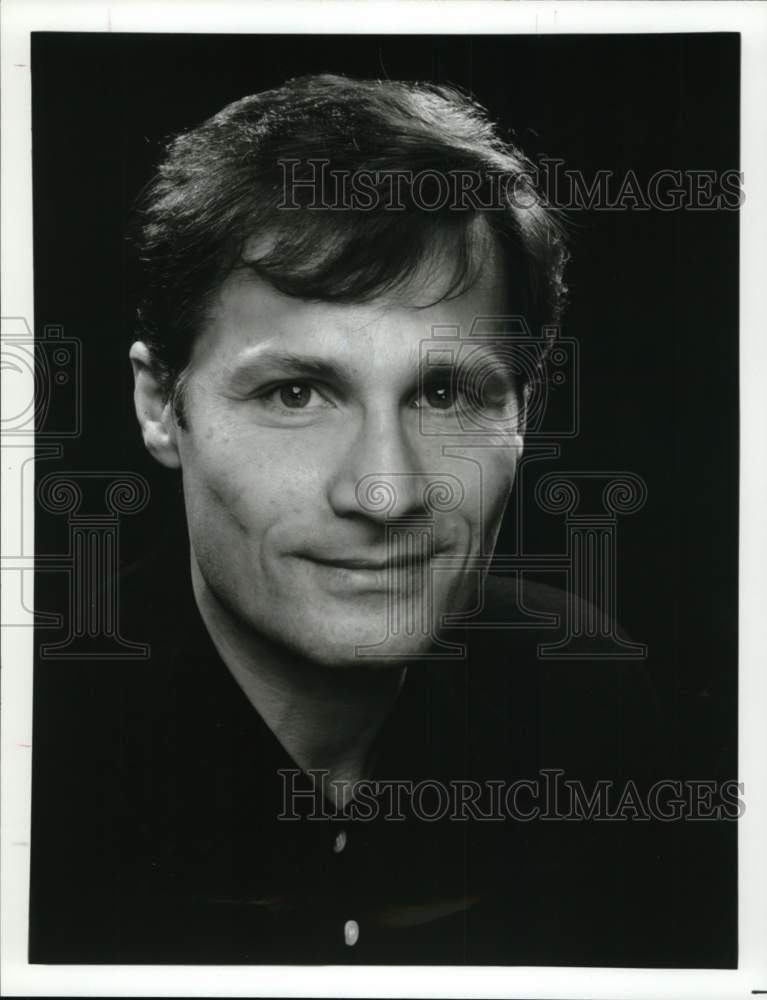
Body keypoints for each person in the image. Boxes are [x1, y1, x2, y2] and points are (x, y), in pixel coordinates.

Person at [29, 74, 678, 967]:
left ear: (525, 412)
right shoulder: (35, 754)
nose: (384, 492)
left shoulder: (581, 698)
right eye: (294, 392)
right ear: (158, 403)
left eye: (445, 392)